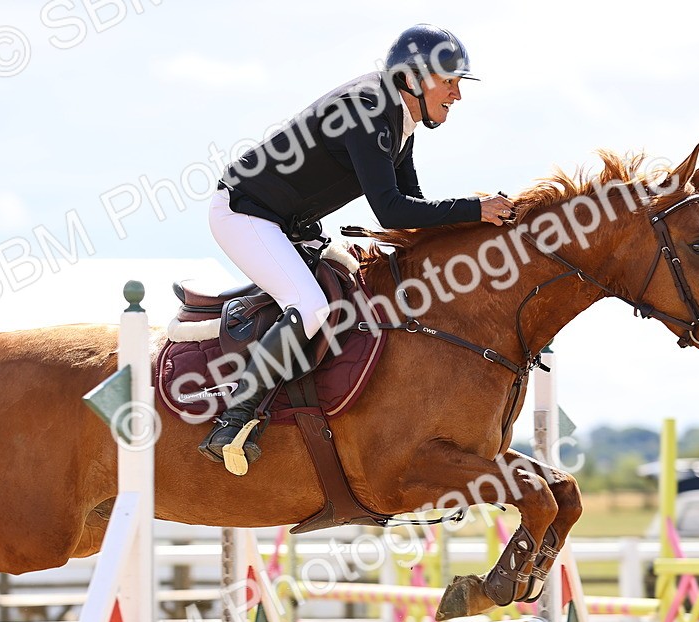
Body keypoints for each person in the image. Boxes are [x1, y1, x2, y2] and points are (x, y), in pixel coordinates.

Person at [199, 23, 516, 472]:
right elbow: (391, 211)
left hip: (288, 224)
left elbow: (415, 207)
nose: (457, 94)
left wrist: (477, 224)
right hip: (244, 215)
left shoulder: (398, 119)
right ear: (412, 79)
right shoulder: (366, 111)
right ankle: (233, 420)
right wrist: (475, 209)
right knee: (310, 306)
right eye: (448, 81)